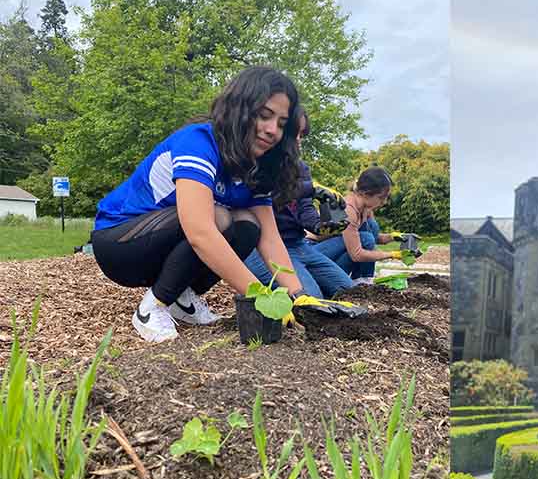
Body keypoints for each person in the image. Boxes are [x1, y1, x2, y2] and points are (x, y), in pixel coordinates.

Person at [91, 66, 319, 342]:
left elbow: (271, 238)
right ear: (240, 108)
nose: (272, 130)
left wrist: (299, 295)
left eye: (282, 124)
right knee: (220, 218)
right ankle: (152, 307)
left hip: (164, 245)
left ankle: (182, 299)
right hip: (119, 245)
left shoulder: (256, 167)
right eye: (264, 115)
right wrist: (262, 297)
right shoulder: (198, 142)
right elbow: (200, 231)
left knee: (249, 224)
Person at [244, 108, 354, 298]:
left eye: (301, 135)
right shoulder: (255, 164)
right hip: (261, 249)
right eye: (293, 133)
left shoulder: (300, 169)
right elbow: (268, 194)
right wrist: (311, 188)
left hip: (297, 245)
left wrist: (323, 227)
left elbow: (306, 212)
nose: (298, 140)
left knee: (351, 291)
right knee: (310, 300)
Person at [310, 165, 414, 284]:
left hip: (334, 249)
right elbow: (356, 254)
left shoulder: (366, 208)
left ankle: (362, 279)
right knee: (366, 238)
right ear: (366, 193)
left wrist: (394, 237)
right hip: (314, 250)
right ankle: (361, 281)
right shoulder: (348, 209)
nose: (384, 202)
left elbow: (375, 238)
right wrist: (392, 255)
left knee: (371, 227)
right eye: (381, 198)